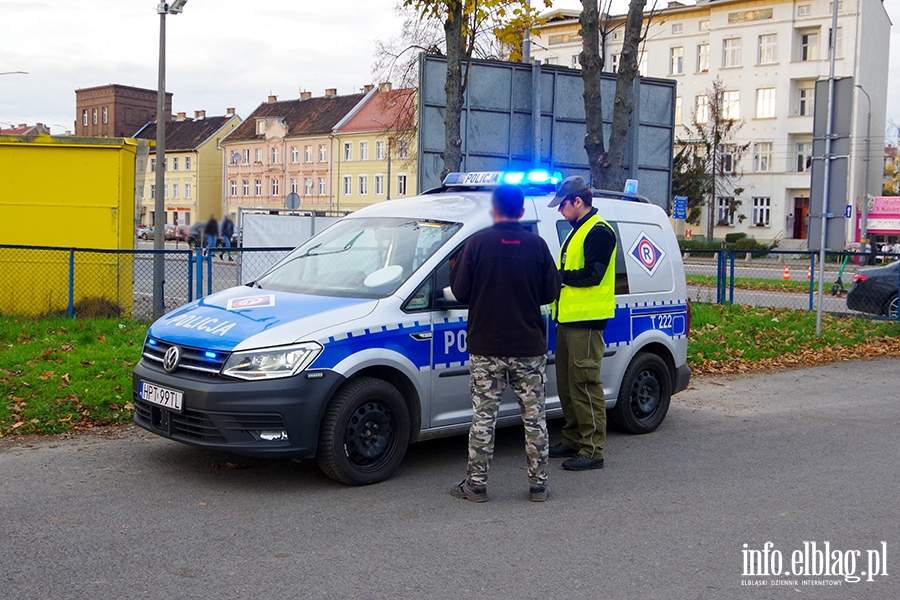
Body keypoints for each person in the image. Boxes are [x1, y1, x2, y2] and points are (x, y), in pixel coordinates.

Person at [448, 185, 562, 503]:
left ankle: (476, 484)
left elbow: (460, 292)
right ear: (522, 212)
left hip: (486, 345)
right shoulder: (537, 246)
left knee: (484, 416)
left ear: (494, 211)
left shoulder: (477, 244)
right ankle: (539, 485)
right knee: (534, 416)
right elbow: (550, 291)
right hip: (528, 346)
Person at [547, 176, 617, 471]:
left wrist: (557, 278)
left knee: (585, 385)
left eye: (562, 204)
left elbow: (593, 275)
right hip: (568, 320)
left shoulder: (599, 231)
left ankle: (592, 449)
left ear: (578, 201)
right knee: (567, 384)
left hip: (586, 323)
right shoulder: (578, 230)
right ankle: (574, 438)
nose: (559, 210)